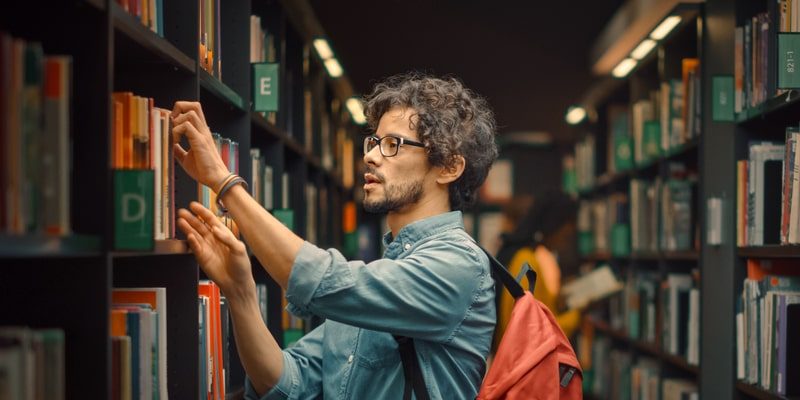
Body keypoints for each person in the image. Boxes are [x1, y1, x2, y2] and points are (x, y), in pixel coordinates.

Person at [171, 72, 499, 399]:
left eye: (392, 145)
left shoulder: (458, 266)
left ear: (448, 168)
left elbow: (323, 280)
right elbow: (287, 384)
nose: (370, 156)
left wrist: (223, 182)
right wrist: (240, 292)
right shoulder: (383, 279)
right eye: (374, 141)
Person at [493, 191, 582, 347]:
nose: (565, 243)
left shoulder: (524, 256)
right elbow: (530, 333)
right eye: (565, 236)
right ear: (554, 226)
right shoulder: (526, 262)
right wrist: (577, 314)